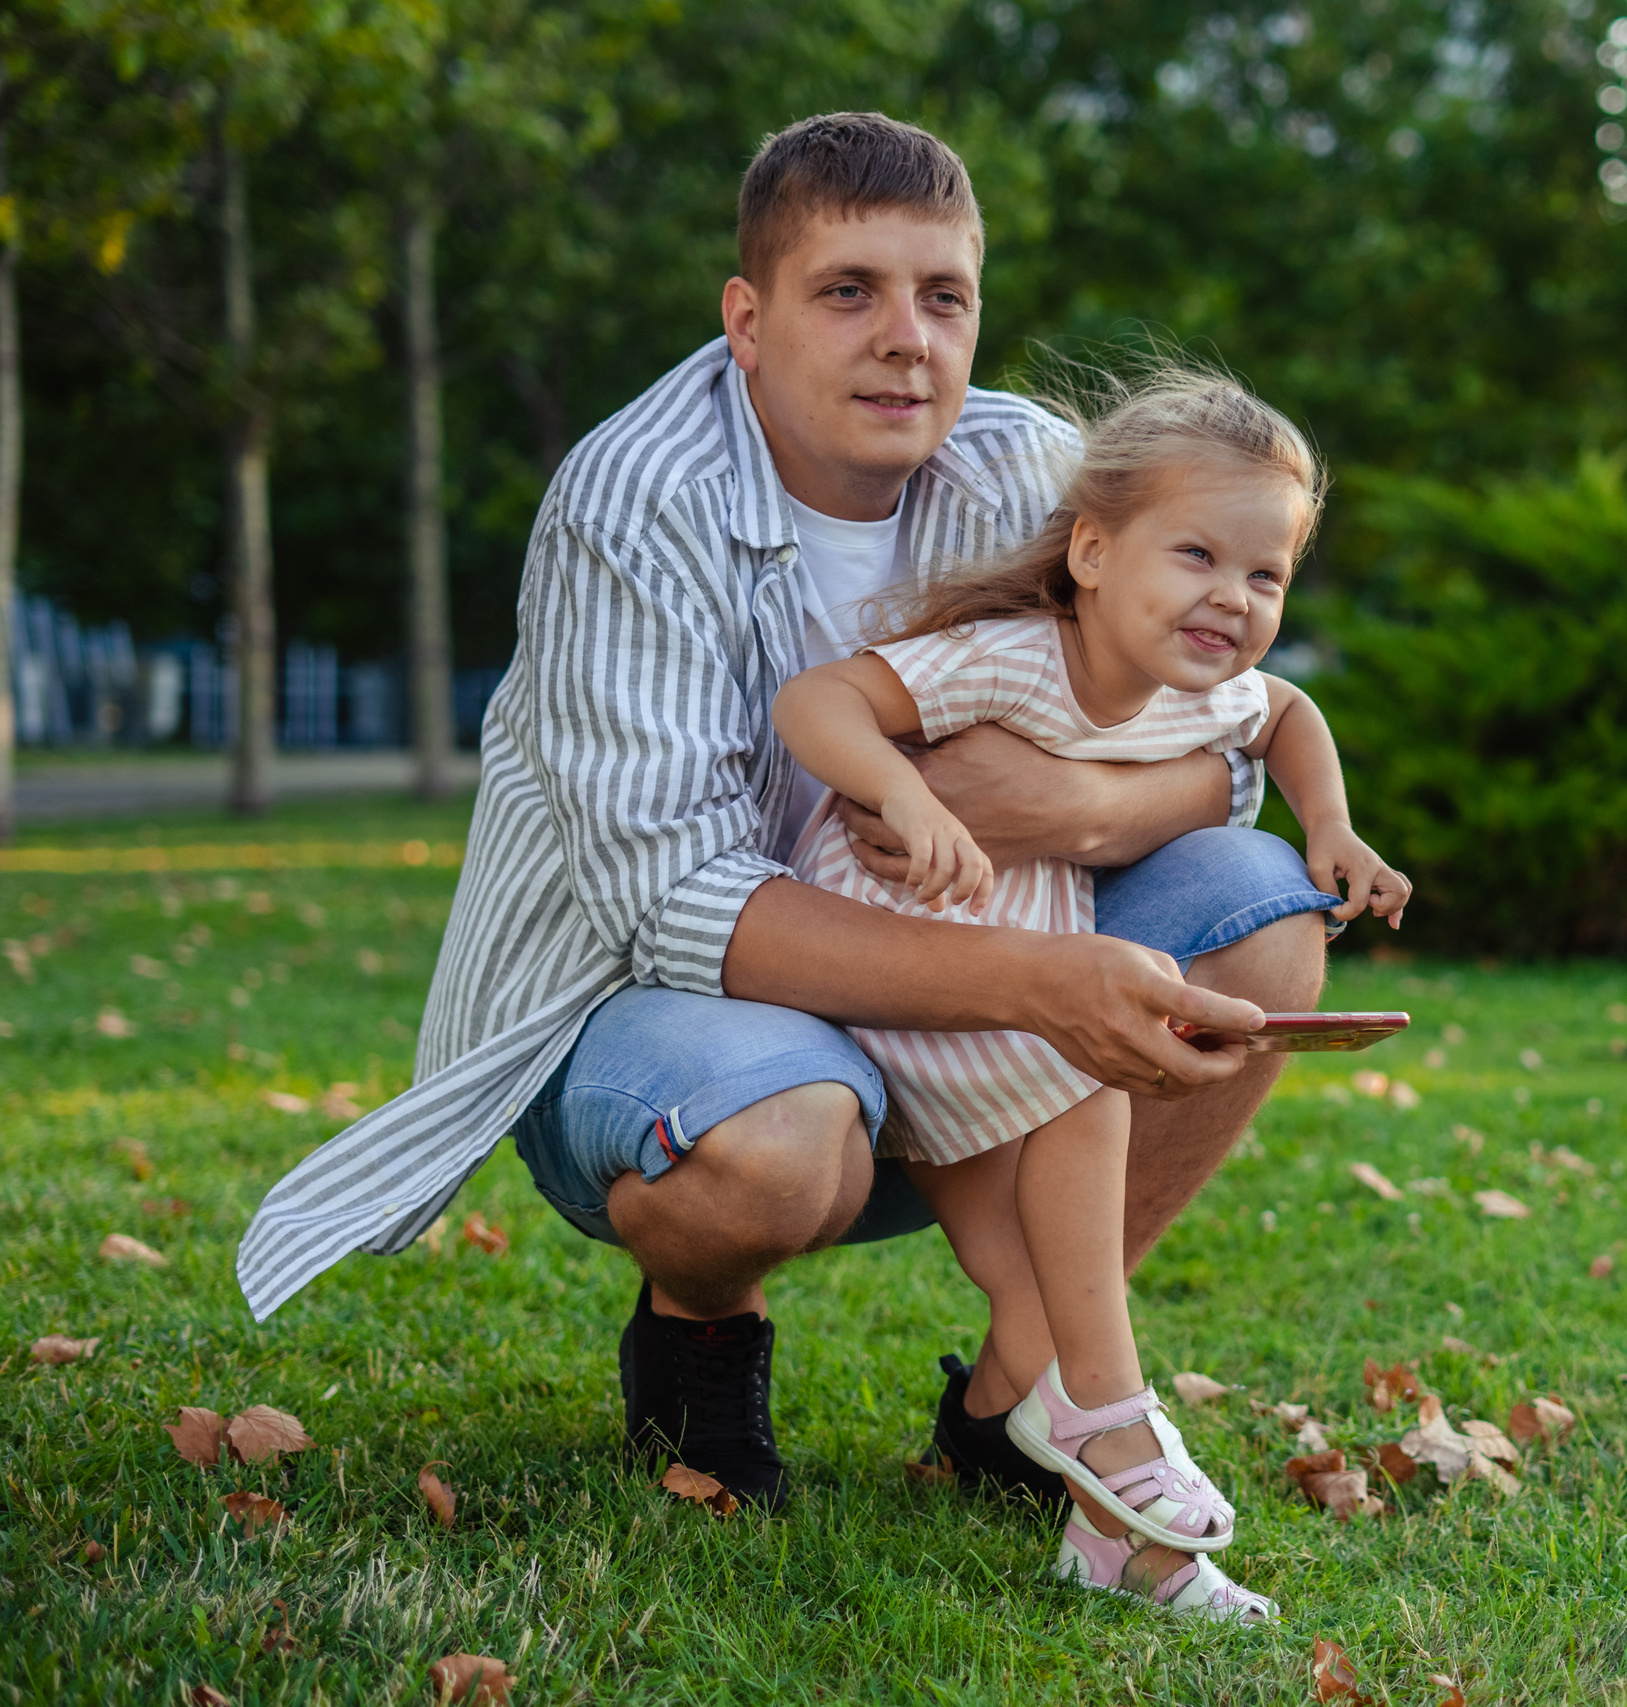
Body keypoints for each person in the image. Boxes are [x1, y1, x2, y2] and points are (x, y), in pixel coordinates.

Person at [234, 114, 1341, 1538]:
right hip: (654, 1017)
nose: (907, 338)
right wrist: (1040, 980)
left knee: (1257, 918)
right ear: (747, 320)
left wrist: (1076, 802)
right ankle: (701, 1325)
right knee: (777, 1132)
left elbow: (1212, 730)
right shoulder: (634, 503)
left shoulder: (1031, 471)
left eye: (944, 296)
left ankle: (1032, 1375)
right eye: (849, 291)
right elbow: (679, 902)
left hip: (951, 976)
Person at [772, 371, 1409, 1621]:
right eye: (1196, 555)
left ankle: (1125, 1541)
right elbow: (820, 699)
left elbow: (1285, 712)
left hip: (1024, 1009)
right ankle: (1113, 1423)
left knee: (1041, 1298)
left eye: (1265, 576)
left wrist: (1329, 827)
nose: (1231, 597)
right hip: (903, 989)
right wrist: (903, 795)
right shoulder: (1013, 662)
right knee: (1097, 1075)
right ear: (1094, 550)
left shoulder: (1202, 692)